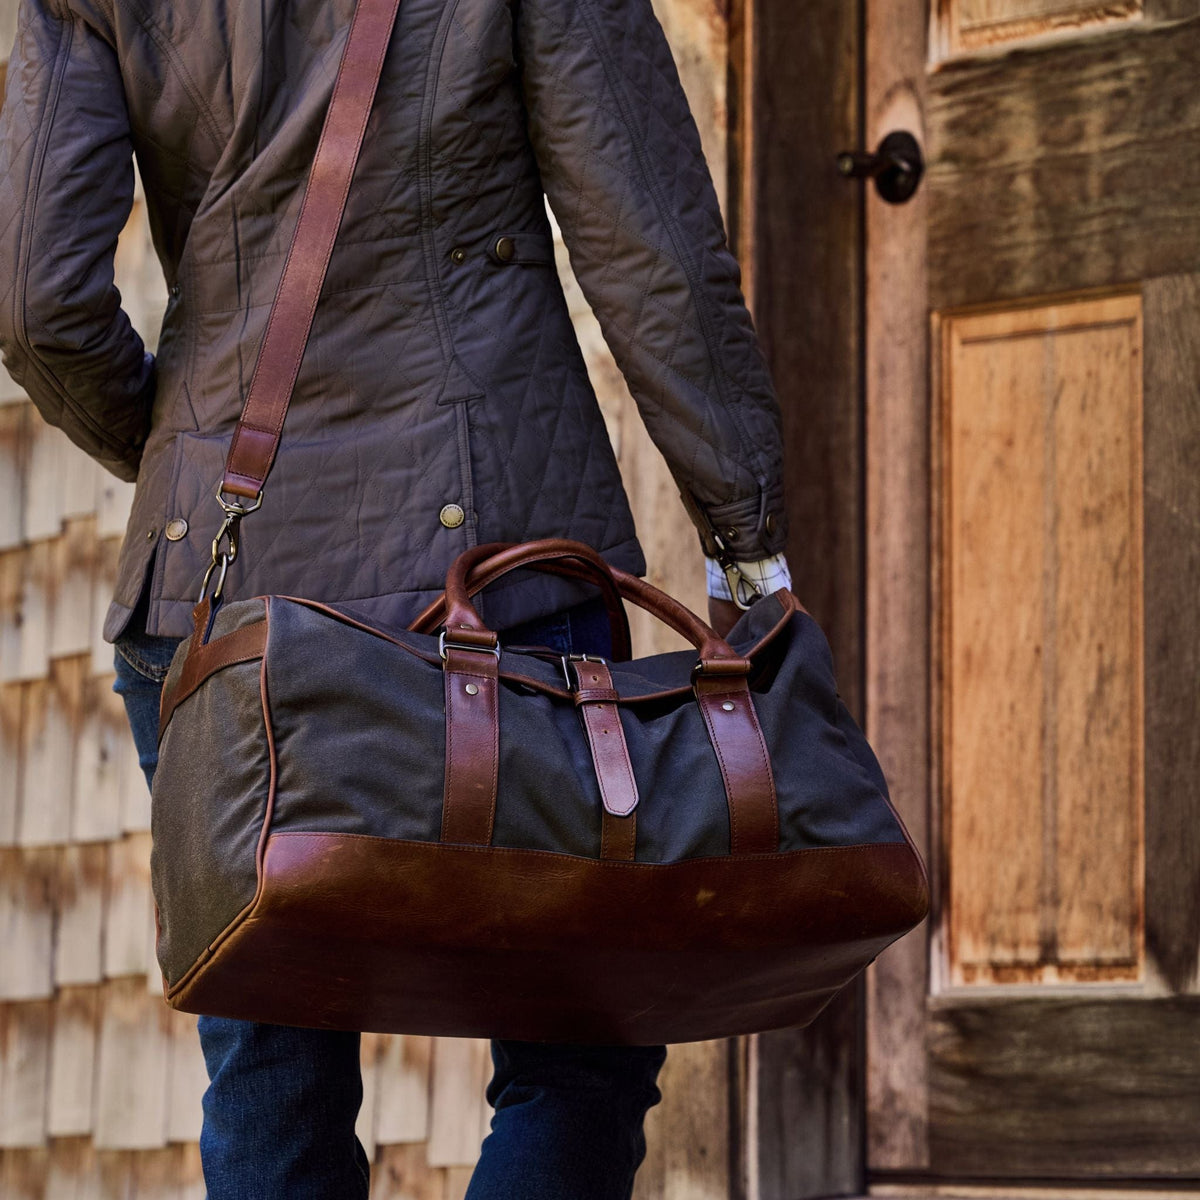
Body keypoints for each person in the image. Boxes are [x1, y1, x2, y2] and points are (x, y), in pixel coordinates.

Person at [0, 0, 791, 1195]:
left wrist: (182, 449)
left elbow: (35, 304)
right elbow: (651, 247)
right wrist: (748, 541)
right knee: (579, 1050)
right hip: (499, 593)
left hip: (219, 601)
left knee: (271, 1082)